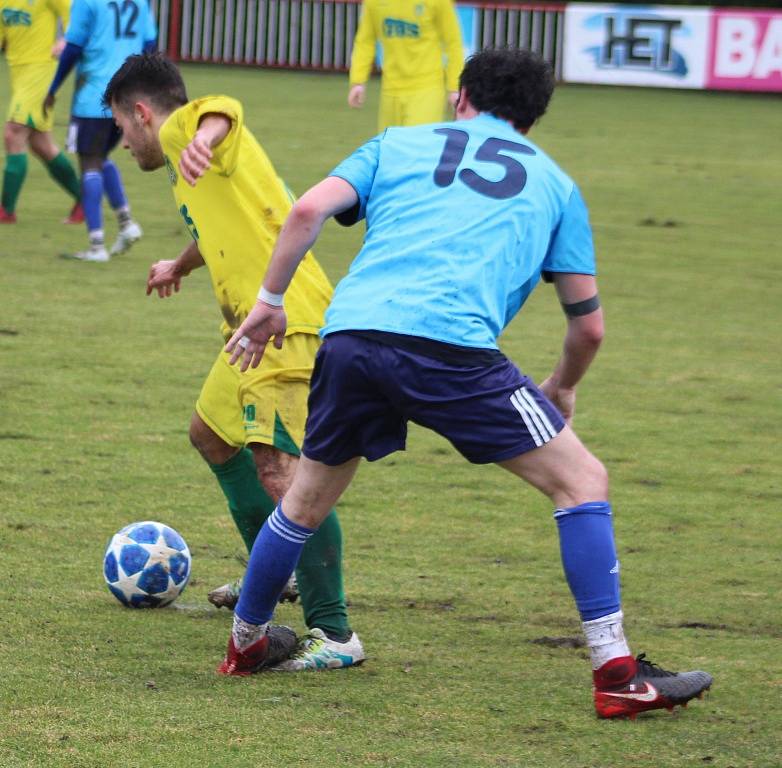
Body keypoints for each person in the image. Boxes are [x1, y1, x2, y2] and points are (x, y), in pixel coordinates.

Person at [222, 47, 713, 717]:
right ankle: (617, 675)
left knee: (304, 500)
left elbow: (307, 209)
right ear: (533, 120)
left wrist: (271, 298)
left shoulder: (396, 143)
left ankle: (246, 644)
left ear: (461, 98)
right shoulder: (557, 185)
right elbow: (588, 327)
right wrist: (563, 387)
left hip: (353, 337)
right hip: (453, 352)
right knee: (583, 483)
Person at [103, 52, 365, 673]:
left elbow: (226, 108)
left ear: (142, 112)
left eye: (120, 125)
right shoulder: (192, 162)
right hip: (247, 329)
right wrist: (179, 265)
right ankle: (272, 578)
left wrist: (203, 133)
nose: (122, 140)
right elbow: (223, 225)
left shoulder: (183, 133)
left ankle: (336, 634)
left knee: (281, 472)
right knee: (211, 437)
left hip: (285, 323)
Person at [43, 0, 157, 262]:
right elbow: (150, 44)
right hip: (126, 95)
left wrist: (53, 89)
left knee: (90, 163)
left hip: (93, 94)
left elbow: (72, 48)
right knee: (102, 157)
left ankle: (96, 246)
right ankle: (126, 224)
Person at [0, 0, 82, 224]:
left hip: (42, 70)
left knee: (13, 131)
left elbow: (75, 15)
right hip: (18, 73)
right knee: (41, 145)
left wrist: (67, 40)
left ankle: (6, 211)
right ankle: (84, 200)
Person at [347, 0, 464, 130]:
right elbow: (365, 41)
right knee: (389, 148)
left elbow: (453, 43)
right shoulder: (373, 3)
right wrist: (358, 81)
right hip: (390, 90)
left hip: (427, 89)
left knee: (416, 146)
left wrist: (454, 87)